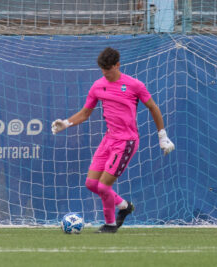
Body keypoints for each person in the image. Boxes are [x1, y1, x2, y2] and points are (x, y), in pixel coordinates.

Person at [51, 47, 175, 233]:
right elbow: (85, 113)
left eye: (108, 69)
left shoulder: (134, 85)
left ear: (118, 65)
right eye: (103, 70)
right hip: (108, 140)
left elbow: (153, 108)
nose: (105, 73)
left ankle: (110, 225)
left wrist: (162, 136)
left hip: (126, 142)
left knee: (103, 186)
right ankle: (124, 206)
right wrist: (66, 123)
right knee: (91, 184)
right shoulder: (97, 86)